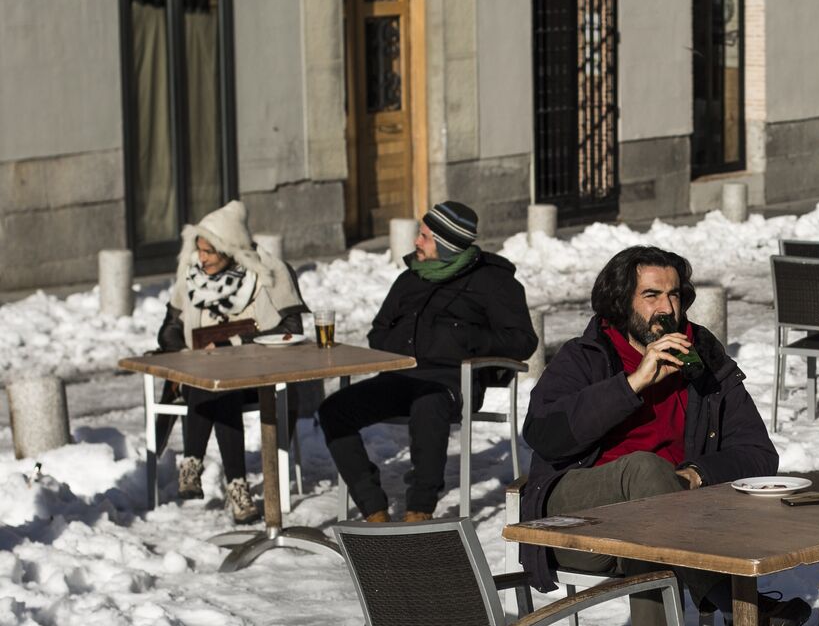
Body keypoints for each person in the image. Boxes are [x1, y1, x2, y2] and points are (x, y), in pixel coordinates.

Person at [520, 245, 811, 626]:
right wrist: (633, 383)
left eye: (674, 295)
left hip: (664, 527)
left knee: (652, 538)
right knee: (644, 471)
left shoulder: (703, 357)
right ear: (621, 302)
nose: (666, 308)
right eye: (651, 295)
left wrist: (695, 476)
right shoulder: (587, 356)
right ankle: (743, 606)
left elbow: (757, 452)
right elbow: (542, 432)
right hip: (576, 516)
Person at [318, 201, 536, 522]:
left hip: (453, 381)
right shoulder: (410, 279)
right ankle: (372, 507)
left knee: (427, 404)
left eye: (425, 236)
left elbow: (523, 340)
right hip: (400, 378)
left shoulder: (493, 282)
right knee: (333, 410)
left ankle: (420, 508)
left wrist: (462, 340)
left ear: (447, 244)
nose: (416, 242)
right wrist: (408, 345)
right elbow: (378, 333)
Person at [157, 200, 308, 525]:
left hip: (260, 378)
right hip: (205, 379)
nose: (202, 258)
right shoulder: (192, 278)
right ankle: (237, 488)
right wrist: (184, 354)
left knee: (218, 383)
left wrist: (232, 343)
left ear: (230, 249)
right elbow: (168, 330)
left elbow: (291, 330)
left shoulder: (267, 274)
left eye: (210, 251)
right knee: (213, 382)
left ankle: (194, 462)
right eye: (199, 250)